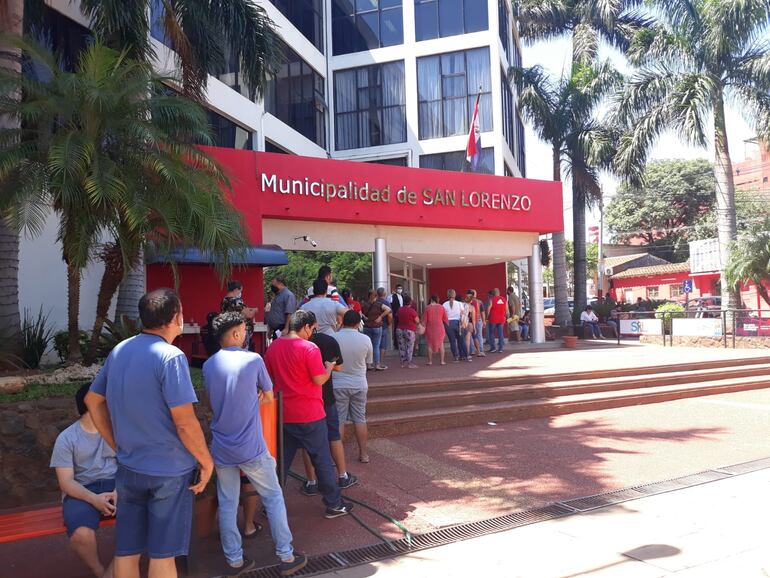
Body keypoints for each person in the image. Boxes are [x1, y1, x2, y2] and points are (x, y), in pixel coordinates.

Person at [86, 289, 213, 578]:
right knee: (162, 556)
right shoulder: (171, 357)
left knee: (127, 553)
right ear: (175, 317)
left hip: (129, 468)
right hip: (168, 472)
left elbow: (93, 401)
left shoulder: (120, 350)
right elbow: (184, 422)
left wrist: (117, 445)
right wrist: (207, 462)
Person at [202, 313, 307, 577]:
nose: (247, 334)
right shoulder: (253, 359)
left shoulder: (209, 364)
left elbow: (211, 403)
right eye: (244, 330)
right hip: (251, 446)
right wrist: (256, 396)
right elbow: (269, 396)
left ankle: (235, 561)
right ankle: (286, 555)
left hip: (222, 447)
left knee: (227, 502)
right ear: (236, 334)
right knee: (273, 497)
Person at [263, 310, 353, 519]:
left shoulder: (273, 347)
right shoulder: (309, 348)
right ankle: (333, 503)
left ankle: (270, 505)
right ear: (305, 327)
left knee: (281, 463)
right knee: (321, 459)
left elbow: (267, 379)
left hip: (284, 413)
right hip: (310, 413)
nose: (313, 333)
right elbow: (320, 380)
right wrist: (329, 367)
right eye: (312, 329)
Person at [51, 384, 117, 578]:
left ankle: (113, 572)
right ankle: (99, 571)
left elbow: (130, 468)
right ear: (93, 405)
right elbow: (66, 482)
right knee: (81, 535)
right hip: (82, 490)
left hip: (117, 486)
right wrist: (93, 499)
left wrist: (120, 490)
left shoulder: (118, 430)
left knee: (144, 519)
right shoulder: (66, 439)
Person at [302, 326, 358, 495]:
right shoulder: (328, 341)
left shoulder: (295, 344)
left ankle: (311, 482)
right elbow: (339, 367)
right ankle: (342, 475)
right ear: (314, 325)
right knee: (334, 436)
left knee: (307, 442)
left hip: (306, 400)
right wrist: (328, 367)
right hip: (326, 398)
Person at [332, 311, 374, 464]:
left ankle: (336, 456)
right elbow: (368, 361)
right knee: (360, 419)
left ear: (342, 321)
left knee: (339, 420)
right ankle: (364, 454)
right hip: (359, 383)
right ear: (358, 323)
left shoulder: (334, 337)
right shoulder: (365, 339)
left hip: (338, 384)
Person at [221, 281, 258, 349]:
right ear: (235, 290)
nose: (240, 293)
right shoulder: (236, 301)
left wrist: (249, 309)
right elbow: (248, 314)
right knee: (242, 351)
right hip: (239, 331)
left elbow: (241, 310)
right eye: (240, 291)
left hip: (229, 330)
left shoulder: (224, 301)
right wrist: (254, 310)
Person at [361, 289, 390, 370]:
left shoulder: (364, 305)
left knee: (368, 346)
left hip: (367, 327)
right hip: (377, 327)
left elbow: (359, 312)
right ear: (376, 296)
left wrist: (364, 316)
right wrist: (380, 317)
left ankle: (369, 365)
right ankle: (377, 364)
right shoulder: (379, 304)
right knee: (376, 346)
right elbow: (388, 310)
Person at [443, 289, 469, 362]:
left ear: (447, 295)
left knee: (452, 341)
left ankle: (456, 357)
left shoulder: (444, 304)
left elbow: (443, 315)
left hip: (448, 324)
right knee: (461, 340)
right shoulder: (459, 303)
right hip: (458, 323)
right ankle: (466, 356)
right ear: (454, 295)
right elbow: (463, 313)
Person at [396, 294, 420, 369]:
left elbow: (396, 317)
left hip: (399, 329)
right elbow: (417, 320)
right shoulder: (412, 311)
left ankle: (402, 363)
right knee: (410, 346)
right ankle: (409, 363)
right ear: (410, 302)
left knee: (401, 346)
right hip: (409, 330)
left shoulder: (399, 309)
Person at [423, 295, 448, 366]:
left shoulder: (427, 308)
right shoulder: (441, 307)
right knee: (441, 344)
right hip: (440, 327)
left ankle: (430, 361)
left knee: (429, 344)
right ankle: (442, 361)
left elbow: (424, 319)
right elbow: (445, 318)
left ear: (431, 300)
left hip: (430, 327)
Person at [466, 290, 486, 357]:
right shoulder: (479, 302)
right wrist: (484, 321)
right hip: (478, 320)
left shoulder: (466, 302)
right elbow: (482, 312)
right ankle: (480, 350)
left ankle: (472, 351)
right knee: (479, 335)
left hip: (471, 321)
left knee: (470, 337)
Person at [487, 288, 507, 353]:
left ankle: (493, 348)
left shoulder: (491, 300)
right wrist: (506, 316)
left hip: (493, 319)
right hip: (501, 319)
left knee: (491, 333)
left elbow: (488, 309)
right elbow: (507, 310)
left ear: (493, 293)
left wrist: (487, 317)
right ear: (499, 292)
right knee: (500, 333)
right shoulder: (504, 299)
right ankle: (501, 348)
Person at [376, 287, 394, 360]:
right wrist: (389, 324)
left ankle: (373, 362)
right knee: (383, 345)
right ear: (384, 294)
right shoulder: (387, 303)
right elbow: (390, 316)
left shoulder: (374, 302)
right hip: (383, 326)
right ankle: (380, 362)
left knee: (375, 344)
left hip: (373, 326)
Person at [389, 284, 404, 350]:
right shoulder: (393, 296)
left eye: (400, 288)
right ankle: (396, 344)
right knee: (396, 329)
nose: (400, 289)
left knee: (403, 328)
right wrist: (391, 294)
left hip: (403, 315)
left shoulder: (403, 296)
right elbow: (389, 301)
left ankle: (402, 343)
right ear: (396, 289)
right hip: (396, 315)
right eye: (398, 288)